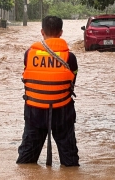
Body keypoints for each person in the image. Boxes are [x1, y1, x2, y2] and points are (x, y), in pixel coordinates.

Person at [17, 16, 79, 167]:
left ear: (42, 32)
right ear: (61, 33)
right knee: (70, 162)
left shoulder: (29, 55)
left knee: (26, 162)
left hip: (34, 112)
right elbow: (72, 82)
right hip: (62, 112)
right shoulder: (69, 58)